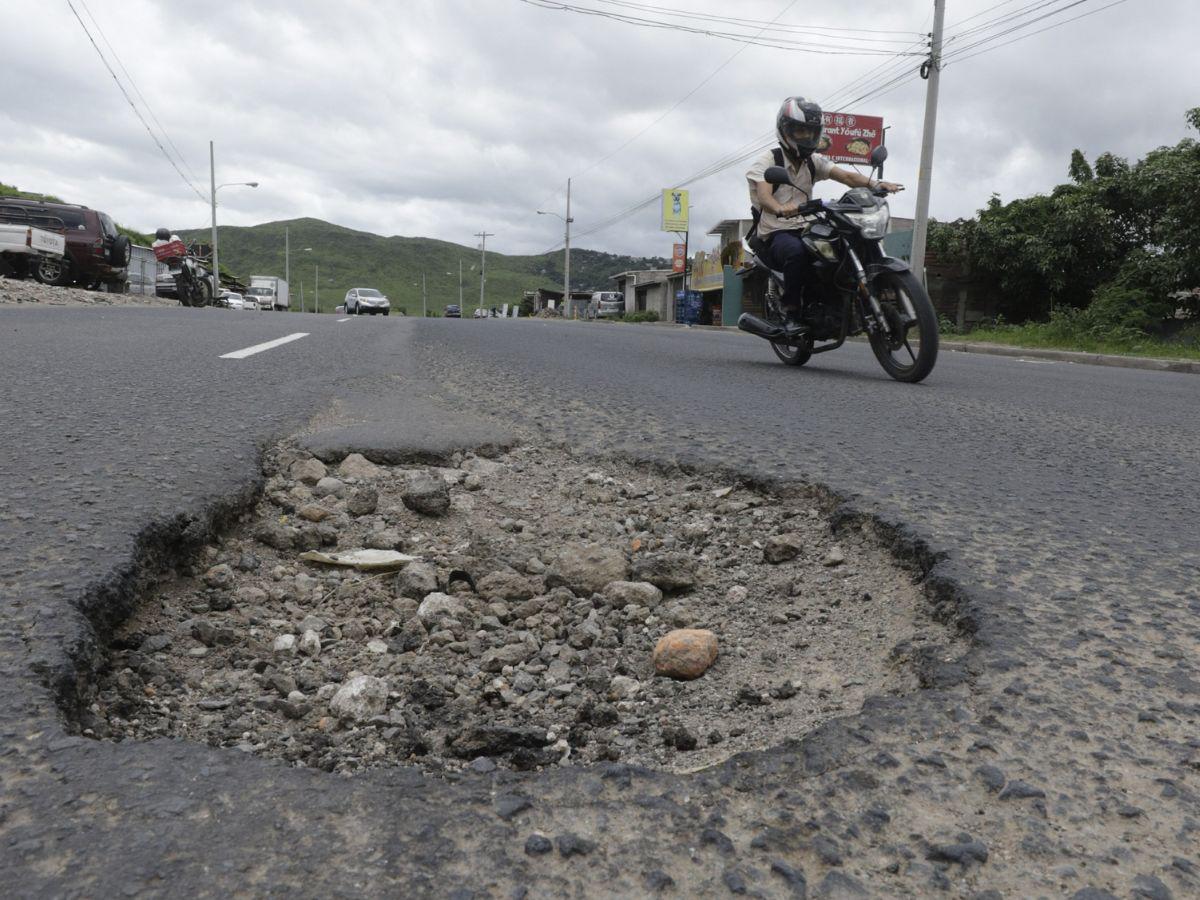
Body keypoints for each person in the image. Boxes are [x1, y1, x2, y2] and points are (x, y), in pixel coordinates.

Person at [746, 97, 903, 328]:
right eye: (800, 131)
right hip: (777, 231)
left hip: (806, 226)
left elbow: (846, 176)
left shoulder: (813, 161)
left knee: (840, 247)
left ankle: (837, 305)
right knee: (797, 253)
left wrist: (876, 184)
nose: (806, 137)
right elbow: (764, 196)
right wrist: (779, 208)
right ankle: (791, 312)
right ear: (785, 130)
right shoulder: (768, 161)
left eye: (811, 132)